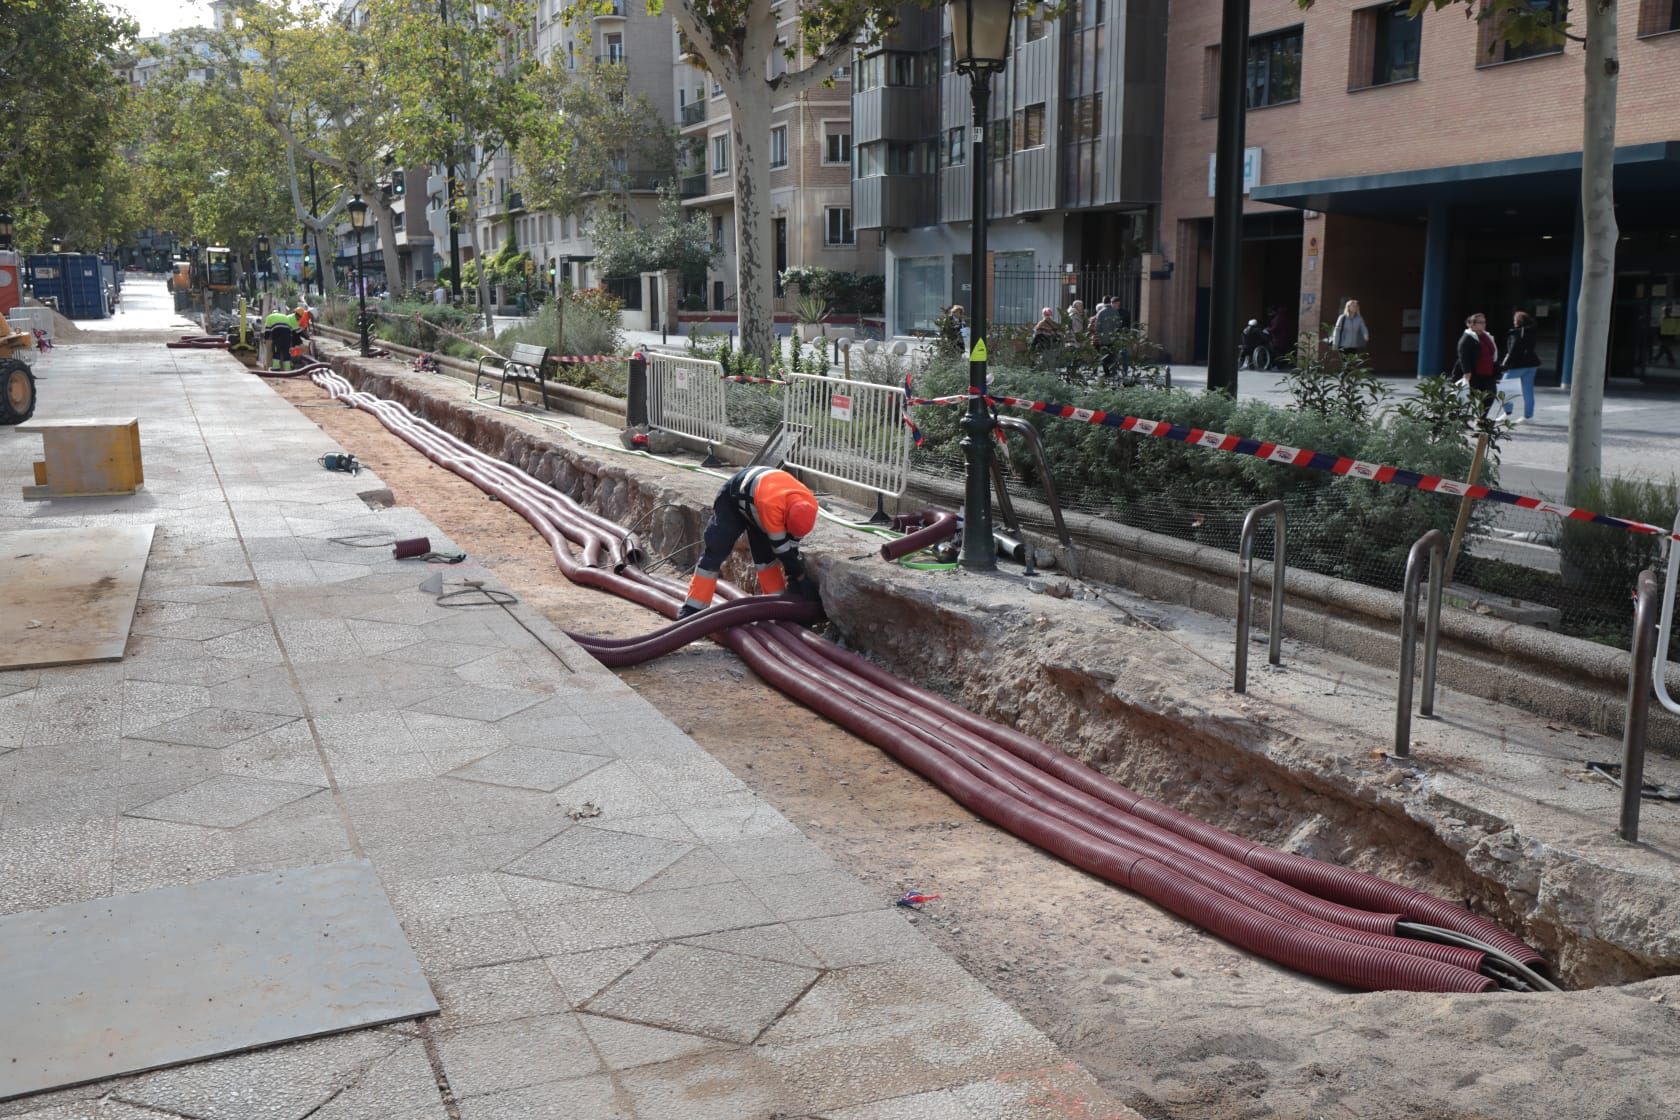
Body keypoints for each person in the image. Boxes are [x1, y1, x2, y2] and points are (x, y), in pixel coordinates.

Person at [681, 466, 821, 618]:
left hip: (758, 502)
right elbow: (781, 548)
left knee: (766, 560)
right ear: (785, 517)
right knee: (715, 552)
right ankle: (693, 609)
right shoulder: (772, 505)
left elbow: (791, 546)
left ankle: (777, 608)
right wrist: (800, 576)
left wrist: (795, 579)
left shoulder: (808, 505)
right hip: (733, 500)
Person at [1455, 312, 1501, 415]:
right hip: (1473, 374)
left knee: (1490, 396)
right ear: (1473, 324)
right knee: (1467, 398)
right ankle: (1462, 420)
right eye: (1481, 322)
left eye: (1484, 322)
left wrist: (1497, 369)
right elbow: (1463, 356)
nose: (1484, 324)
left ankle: (1481, 419)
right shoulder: (1467, 338)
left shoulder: (1487, 336)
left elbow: (1493, 354)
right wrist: (1467, 372)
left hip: (1488, 374)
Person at [1500, 310, 1539, 422]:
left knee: (1504, 388)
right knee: (1528, 391)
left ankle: (1507, 412)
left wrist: (1505, 365)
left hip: (1517, 365)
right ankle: (1528, 416)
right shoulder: (1532, 332)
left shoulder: (1516, 333)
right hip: (1532, 364)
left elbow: (1513, 351)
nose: (1514, 322)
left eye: (1515, 320)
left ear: (1519, 322)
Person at [263, 306, 299, 372]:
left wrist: (265, 339)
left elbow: (267, 330)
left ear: (272, 313)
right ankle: (287, 369)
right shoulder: (284, 316)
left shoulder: (269, 317)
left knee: (276, 351)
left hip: (278, 335)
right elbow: (292, 330)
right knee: (286, 353)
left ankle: (275, 368)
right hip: (287, 336)